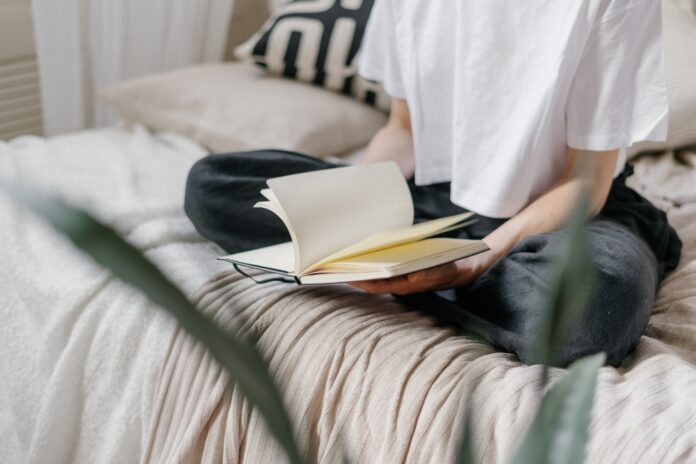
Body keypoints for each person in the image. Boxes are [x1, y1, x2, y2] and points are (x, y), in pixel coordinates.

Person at [184, 0, 682, 367]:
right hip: (435, 197)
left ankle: (429, 275)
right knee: (214, 184)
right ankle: (431, 274)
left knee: (592, 315)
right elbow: (403, 132)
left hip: (566, 216)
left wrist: (477, 258)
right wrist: (351, 215)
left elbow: (584, 181)